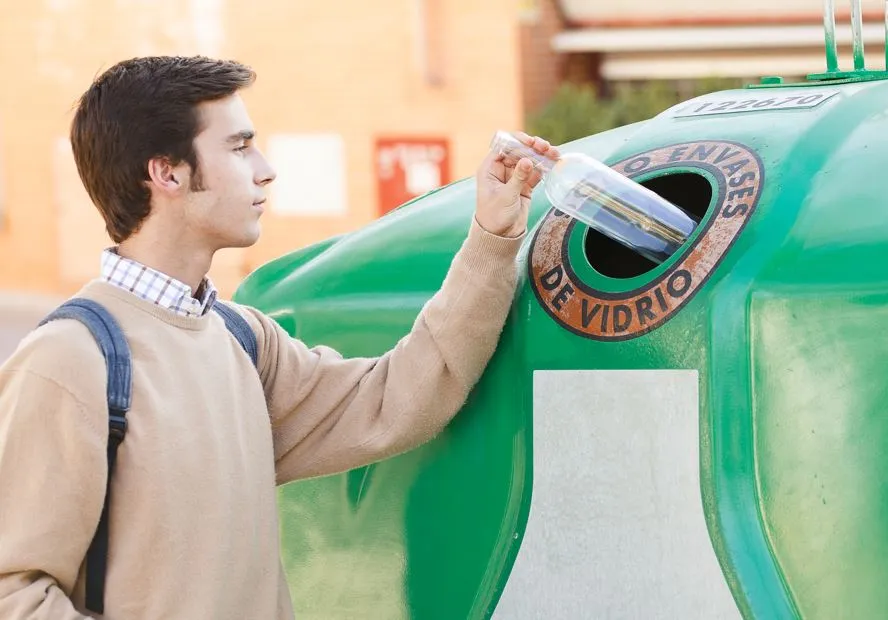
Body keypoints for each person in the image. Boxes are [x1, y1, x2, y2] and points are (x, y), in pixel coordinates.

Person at [0, 55, 558, 619]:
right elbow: (13, 591)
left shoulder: (243, 340)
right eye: (239, 147)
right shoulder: (70, 360)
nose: (265, 170)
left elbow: (396, 398)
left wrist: (494, 233)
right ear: (167, 173)